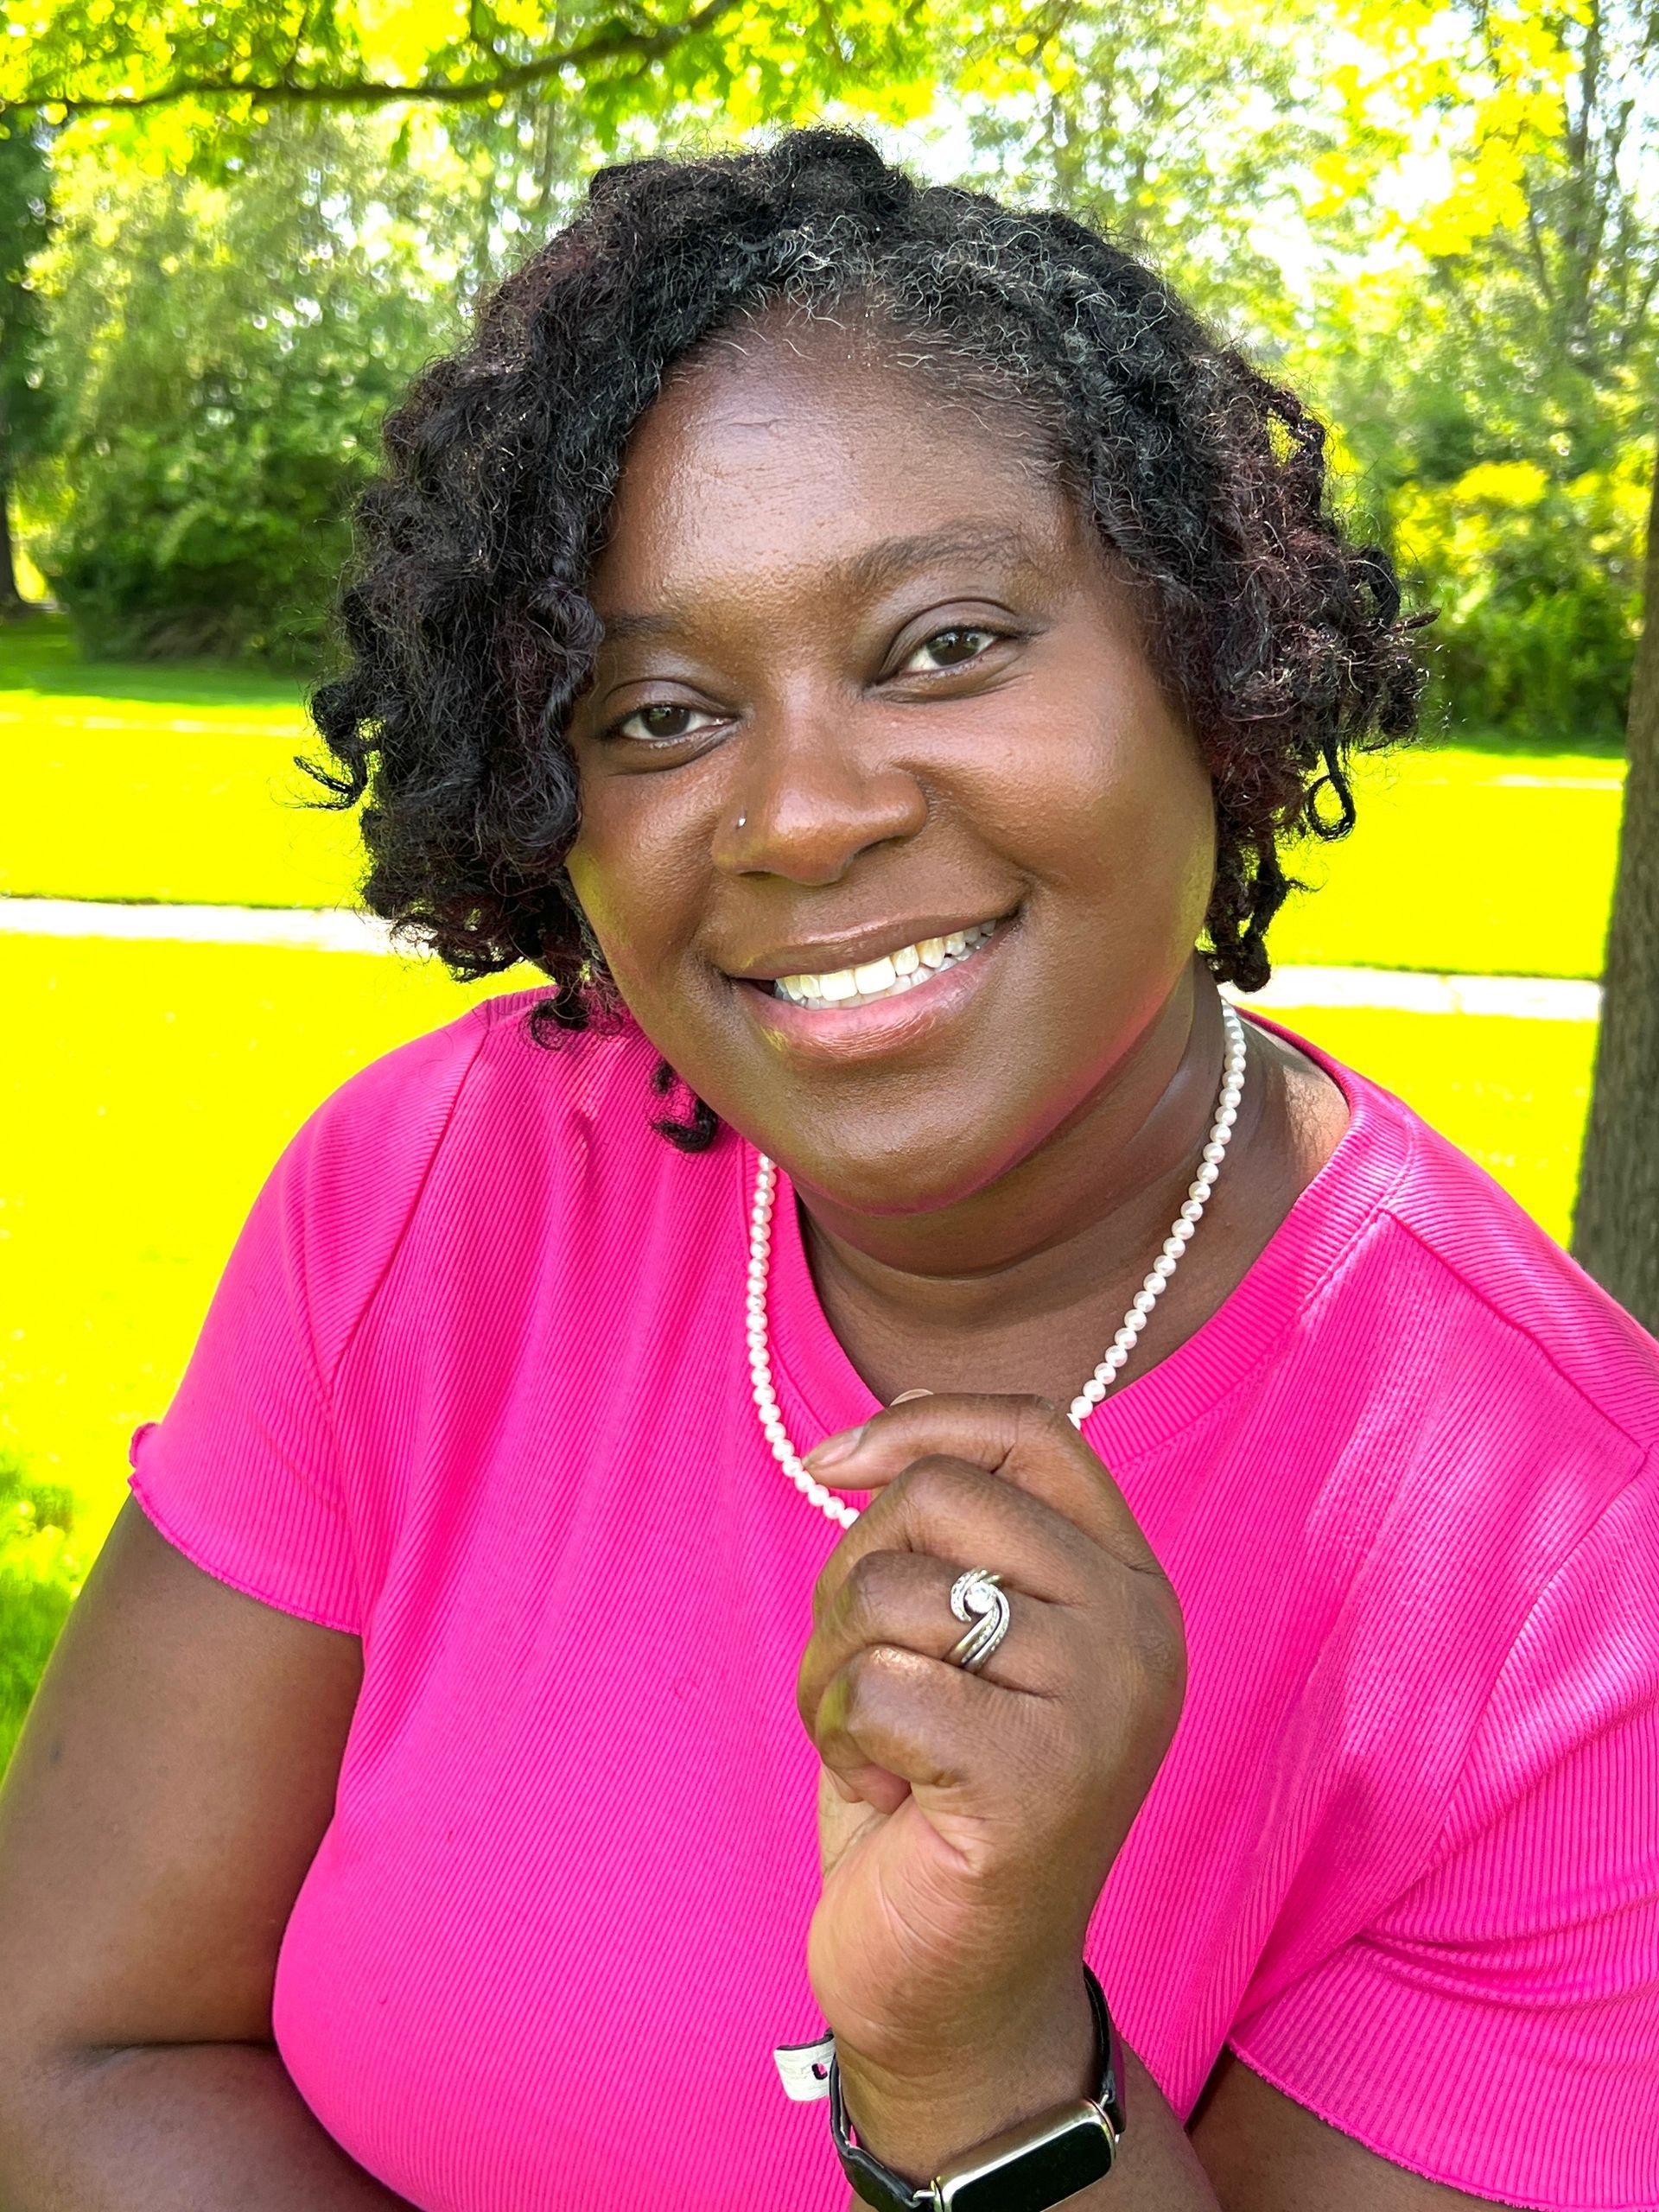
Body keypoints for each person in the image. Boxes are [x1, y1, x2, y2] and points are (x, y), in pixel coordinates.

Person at [0, 129, 1654, 2212]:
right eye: (663, 712)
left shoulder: (1581, 1596)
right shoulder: (438, 1198)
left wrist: (982, 2059)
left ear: (1207, 669)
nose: (800, 813)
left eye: (946, 643)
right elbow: (77, 2047)